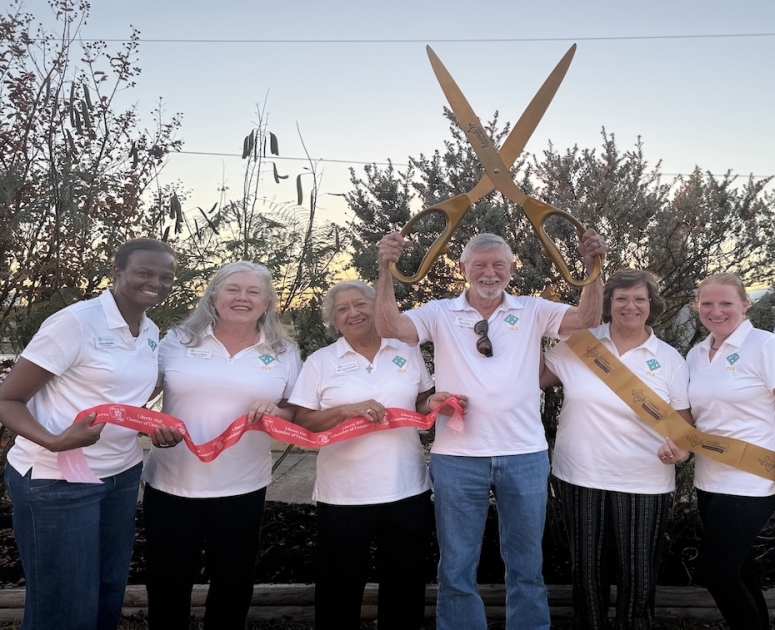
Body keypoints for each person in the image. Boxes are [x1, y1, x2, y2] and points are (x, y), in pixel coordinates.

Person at [376, 230, 608, 630]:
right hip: (457, 457)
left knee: (527, 563)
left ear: (512, 268)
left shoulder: (533, 310)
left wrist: (594, 267)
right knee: (457, 564)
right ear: (462, 268)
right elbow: (389, 326)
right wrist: (385, 268)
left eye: (499, 264)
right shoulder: (439, 312)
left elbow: (587, 320)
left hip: (524, 455)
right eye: (480, 264)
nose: (489, 272)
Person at [0, 238, 181, 630]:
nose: (156, 283)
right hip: (57, 479)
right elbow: (7, 399)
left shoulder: (149, 330)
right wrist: (54, 440)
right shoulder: (76, 322)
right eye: (144, 272)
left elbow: (121, 400)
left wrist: (151, 425)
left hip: (120, 476)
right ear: (118, 273)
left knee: (107, 592)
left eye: (166, 277)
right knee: (64, 604)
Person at [288, 280, 461, 629]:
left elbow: (419, 401)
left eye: (361, 304)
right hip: (343, 495)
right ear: (333, 321)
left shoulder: (406, 350)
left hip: (406, 489)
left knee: (405, 586)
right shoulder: (321, 361)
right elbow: (302, 421)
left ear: (376, 308)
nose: (353, 313)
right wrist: (345, 410)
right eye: (342, 309)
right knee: (339, 588)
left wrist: (434, 402)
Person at [142, 261, 301, 629]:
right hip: (172, 484)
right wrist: (152, 425)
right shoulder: (177, 340)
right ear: (214, 296)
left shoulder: (284, 351)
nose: (242, 298)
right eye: (233, 289)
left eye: (253, 292)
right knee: (167, 583)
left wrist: (276, 411)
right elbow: (138, 394)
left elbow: (296, 410)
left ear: (267, 302)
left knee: (233, 583)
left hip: (242, 487)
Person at [540, 269, 690, 630]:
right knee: (586, 569)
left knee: (638, 573)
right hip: (580, 475)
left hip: (644, 479)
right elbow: (529, 379)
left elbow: (683, 426)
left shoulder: (669, 358)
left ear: (651, 304)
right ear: (608, 303)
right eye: (621, 298)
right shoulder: (580, 345)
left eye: (639, 299)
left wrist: (680, 451)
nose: (630, 306)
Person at [687, 273, 775, 630]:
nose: (716, 311)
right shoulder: (696, 354)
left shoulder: (766, 346)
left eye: (726, 303)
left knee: (716, 572)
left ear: (745, 304)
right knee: (738, 569)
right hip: (709, 479)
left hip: (753, 482)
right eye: (707, 303)